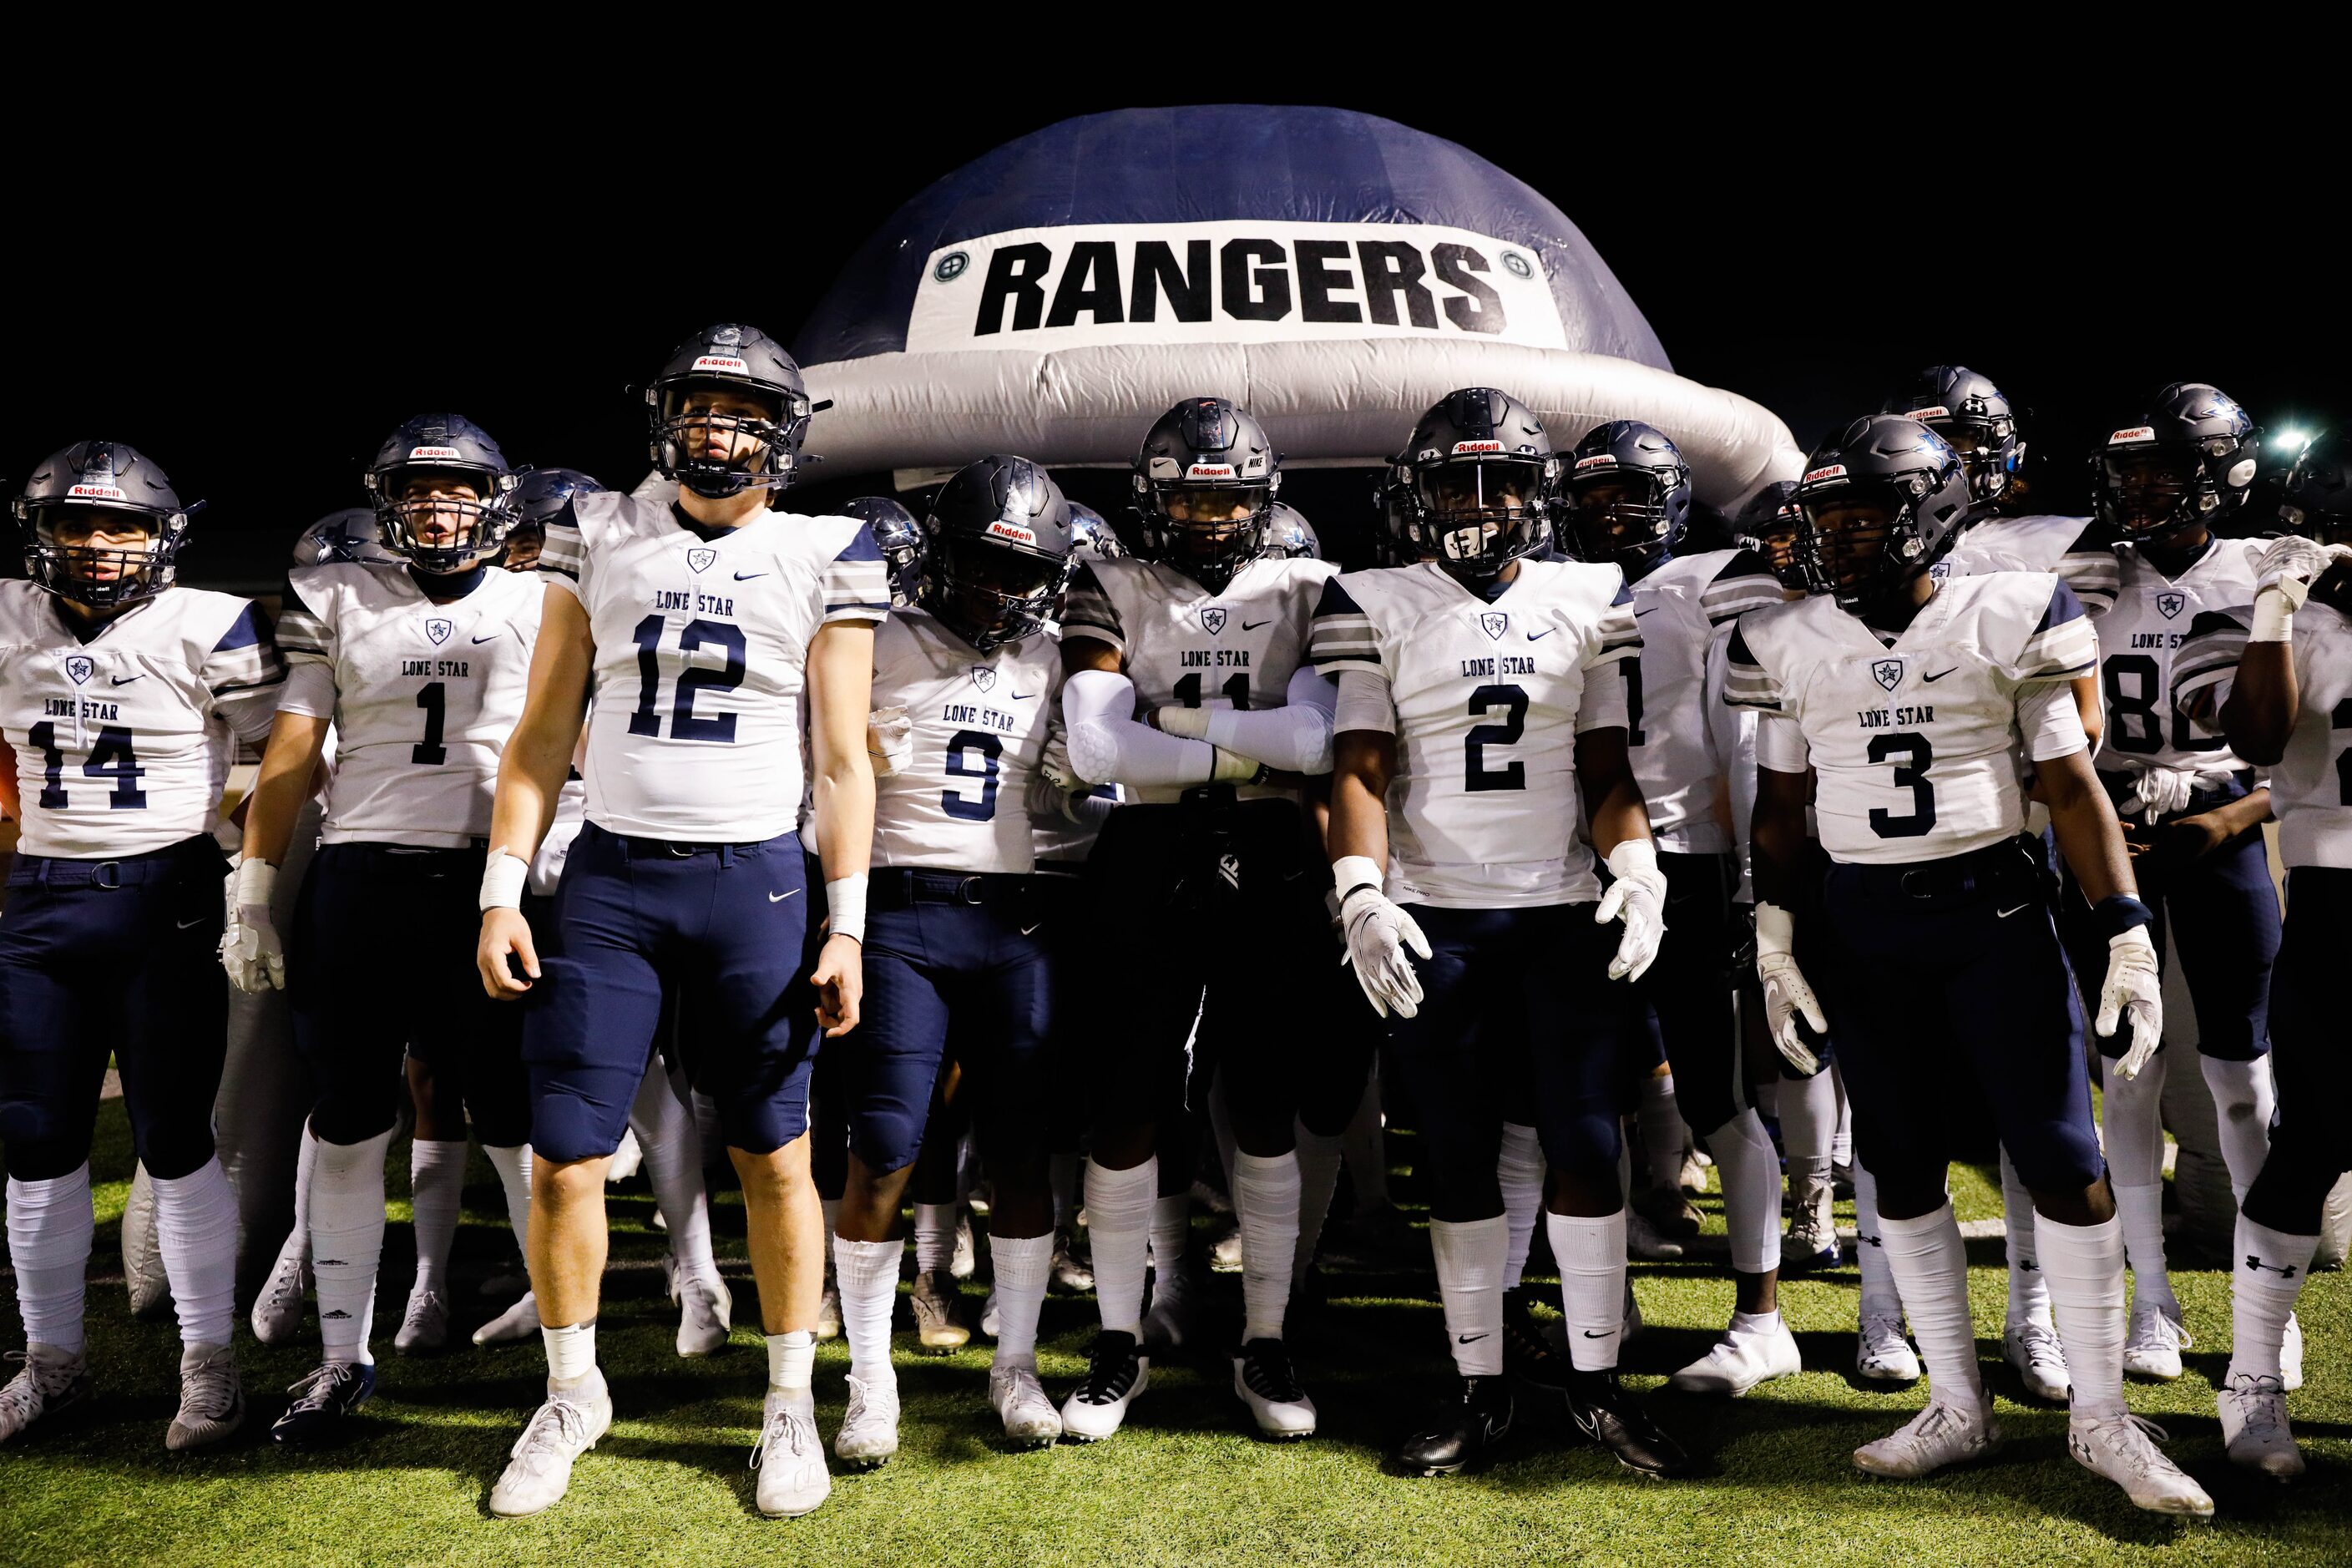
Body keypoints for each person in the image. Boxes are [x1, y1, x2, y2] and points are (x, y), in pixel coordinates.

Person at [1729, 413, 2210, 1517]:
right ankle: (1955, 1402)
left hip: (1990, 906)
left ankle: (2101, 1417)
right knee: (1896, 1162)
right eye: (1824, 515)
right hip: (1860, 922)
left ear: (1928, 510)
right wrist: (1775, 942)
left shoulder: (2013, 605)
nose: (1834, 535)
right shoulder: (1784, 635)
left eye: (1858, 512)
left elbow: (2074, 782)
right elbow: (1781, 811)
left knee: (2056, 1153)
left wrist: (2125, 929)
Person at [472, 324, 887, 1520]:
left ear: (782, 433)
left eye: (742, 408)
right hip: (610, 882)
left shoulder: (824, 549)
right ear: (663, 416)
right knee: (566, 1155)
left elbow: (845, 760)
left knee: (775, 1150)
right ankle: (571, 1389)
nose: (716, 427)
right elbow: (543, 732)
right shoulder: (595, 528)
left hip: (754, 882)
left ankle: (791, 1401)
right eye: (697, 404)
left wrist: (845, 921)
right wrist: (504, 886)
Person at [1314, 387, 1687, 1479]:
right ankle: (1478, 1385)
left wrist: (1638, 865)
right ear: (1417, 493)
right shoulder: (1375, 597)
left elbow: (1605, 766)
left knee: (1581, 1141)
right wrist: (1360, 894)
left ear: (1537, 491)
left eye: (1504, 477)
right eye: (1455, 479)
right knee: (1457, 1153)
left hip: (1562, 910)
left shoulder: (1588, 594)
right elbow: (1358, 767)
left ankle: (1594, 1383)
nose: (1480, 499)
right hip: (1437, 915)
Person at [228, 415, 544, 1443]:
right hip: (360, 880)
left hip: (482, 882)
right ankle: (339, 1359)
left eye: (457, 490)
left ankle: (565, 1341)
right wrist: (253, 888)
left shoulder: (542, 602)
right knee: (350, 1118)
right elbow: (289, 753)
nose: (437, 508)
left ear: (495, 503)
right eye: (417, 491)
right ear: (387, 504)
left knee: (508, 1116)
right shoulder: (339, 597)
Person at [1055, 396, 1339, 1442]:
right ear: (1152, 497)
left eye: (1227, 497)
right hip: (1146, 853)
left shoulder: (1308, 586)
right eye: (1188, 495)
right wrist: (1243, 745)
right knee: (1128, 1101)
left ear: (1261, 499)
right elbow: (1097, 751)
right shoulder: (1111, 580)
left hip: (1270, 859)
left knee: (1261, 1099)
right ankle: (1118, 1342)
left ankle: (1264, 1340)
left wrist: (1165, 718)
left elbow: (1318, 740)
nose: (1210, 516)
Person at [0, 440, 285, 1449]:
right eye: (73, 522)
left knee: (174, 1140)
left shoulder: (208, 622)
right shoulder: (7, 615)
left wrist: (242, 864)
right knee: (36, 1143)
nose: (95, 543)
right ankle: (53, 1364)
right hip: (38, 898)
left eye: (120, 524)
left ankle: (209, 1366)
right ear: (39, 533)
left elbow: (293, 746)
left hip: (164, 896)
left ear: (163, 536)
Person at [830, 454, 1076, 1461]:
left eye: (1023, 571)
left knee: (1021, 1150)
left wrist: (1083, 783)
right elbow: (825, 774)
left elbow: (1072, 801)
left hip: (1018, 920)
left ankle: (1013, 1362)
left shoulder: (1055, 655)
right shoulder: (875, 638)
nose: (1001, 589)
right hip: (901, 911)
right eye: (983, 564)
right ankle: (870, 1377)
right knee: (888, 1143)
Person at [1564, 419, 1794, 1395]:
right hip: (1570, 870)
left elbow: (1742, 735)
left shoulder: (1712, 580)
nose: (1611, 512)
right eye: (1594, 495)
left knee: (1717, 1094)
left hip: (1689, 865)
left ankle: (1762, 1317)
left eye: (1631, 493)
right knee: (1577, 1100)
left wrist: (1748, 880)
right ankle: (1602, 1300)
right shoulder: (1550, 586)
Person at [2074, 383, 2279, 1382]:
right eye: (2128, 471)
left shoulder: (2264, 571)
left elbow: (2311, 740)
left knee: (2241, 1071)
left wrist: (2233, 816)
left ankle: (2261, 1313)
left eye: (2162, 469)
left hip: (2220, 821)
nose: (2140, 489)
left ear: (2220, 473)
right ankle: (2149, 1301)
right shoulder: (2082, 569)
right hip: (2109, 824)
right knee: (2128, 1068)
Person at [2172, 425, 2352, 1477]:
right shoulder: (2293, 621)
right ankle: (2253, 1386)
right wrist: (2281, 608)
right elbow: (2255, 739)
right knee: (2314, 1136)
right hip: (2338, 902)